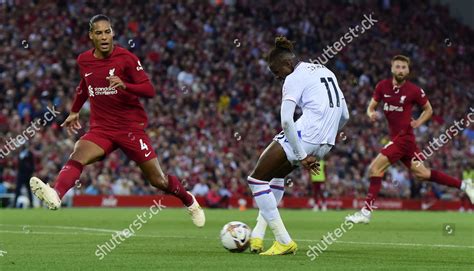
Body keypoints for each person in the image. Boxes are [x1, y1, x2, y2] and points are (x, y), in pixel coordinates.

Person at [29, 14, 204, 227]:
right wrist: (75, 110)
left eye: (107, 32)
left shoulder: (126, 59)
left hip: (130, 129)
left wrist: (125, 85)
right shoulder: (84, 60)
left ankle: (189, 200)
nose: (104, 37)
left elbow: (150, 90)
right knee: (78, 154)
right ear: (91, 36)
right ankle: (57, 194)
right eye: (99, 33)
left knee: (158, 181)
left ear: (112, 33)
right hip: (102, 128)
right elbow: (85, 84)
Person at [247, 37, 349, 255]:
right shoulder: (326, 72)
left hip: (307, 136)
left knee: (255, 179)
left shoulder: (293, 77)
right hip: (326, 143)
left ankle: (283, 241)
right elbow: (345, 115)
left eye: (276, 71)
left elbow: (286, 120)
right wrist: (326, 136)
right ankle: (257, 236)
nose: (276, 77)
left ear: (286, 64)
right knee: (274, 177)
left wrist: (302, 154)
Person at [346, 55, 474, 224]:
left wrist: (418, 122)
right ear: (392, 68)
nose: (400, 70)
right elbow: (371, 107)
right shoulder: (382, 86)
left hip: (404, 138)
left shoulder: (414, 90)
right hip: (403, 140)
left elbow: (429, 109)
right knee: (423, 173)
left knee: (374, 168)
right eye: (397, 67)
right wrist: (371, 114)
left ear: (408, 70)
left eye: (404, 67)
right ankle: (465, 185)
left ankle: (366, 212)